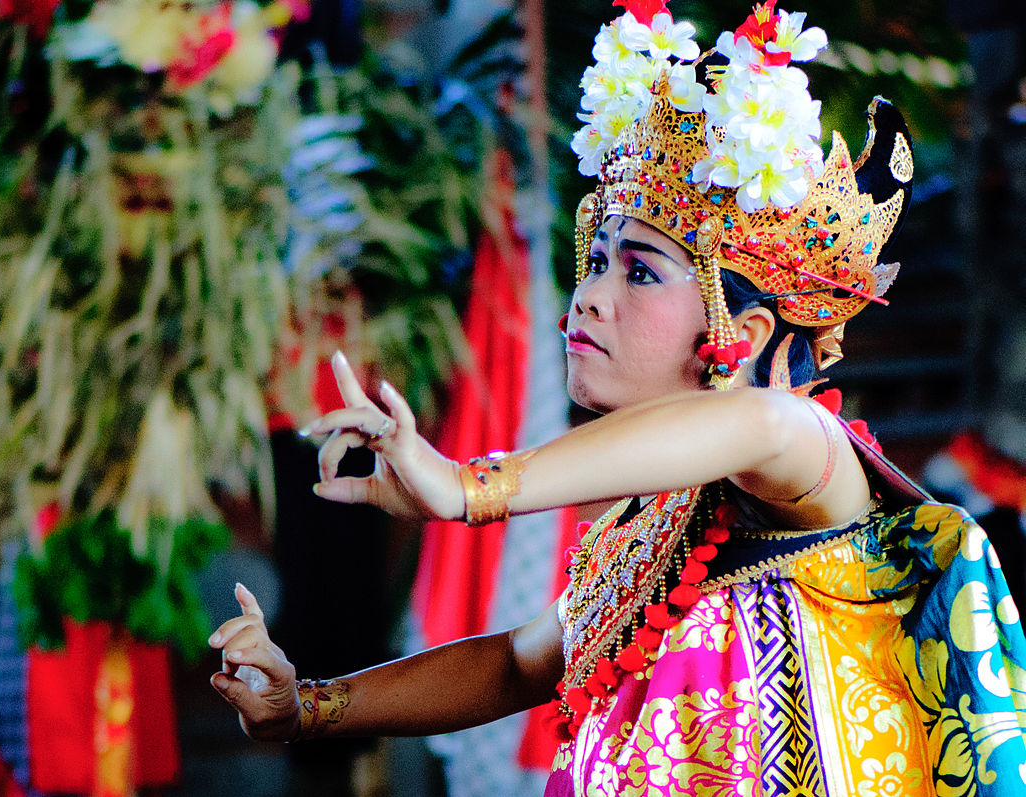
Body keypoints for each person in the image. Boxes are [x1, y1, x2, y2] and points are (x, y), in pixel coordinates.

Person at [210, 1, 1026, 793]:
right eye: (595, 259)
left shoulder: (806, 456)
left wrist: (473, 485)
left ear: (739, 331)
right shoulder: (651, 527)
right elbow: (513, 663)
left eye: (638, 270)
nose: (590, 297)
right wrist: (306, 707)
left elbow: (758, 420)